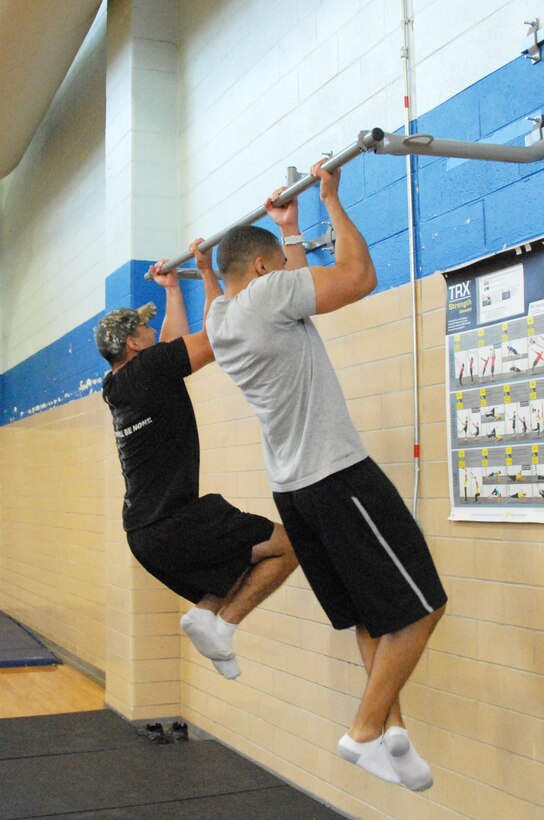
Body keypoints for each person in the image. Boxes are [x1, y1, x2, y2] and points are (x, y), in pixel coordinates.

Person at [204, 159, 447, 791]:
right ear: (261, 271)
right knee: (423, 608)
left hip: (293, 490)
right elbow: (358, 276)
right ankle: (364, 731)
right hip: (337, 476)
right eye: (280, 261)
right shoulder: (269, 295)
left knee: (372, 614)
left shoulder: (221, 319)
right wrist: (331, 203)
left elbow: (253, 278)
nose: (289, 269)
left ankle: (393, 734)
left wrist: (285, 229)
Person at [94, 248, 297, 680]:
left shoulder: (118, 384)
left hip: (145, 532)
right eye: (144, 328)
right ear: (132, 343)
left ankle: (209, 613)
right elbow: (214, 338)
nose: (152, 333)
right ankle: (221, 624)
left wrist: (172, 291)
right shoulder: (149, 369)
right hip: (172, 522)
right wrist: (207, 273)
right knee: (289, 545)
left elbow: (172, 347)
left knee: (237, 563)